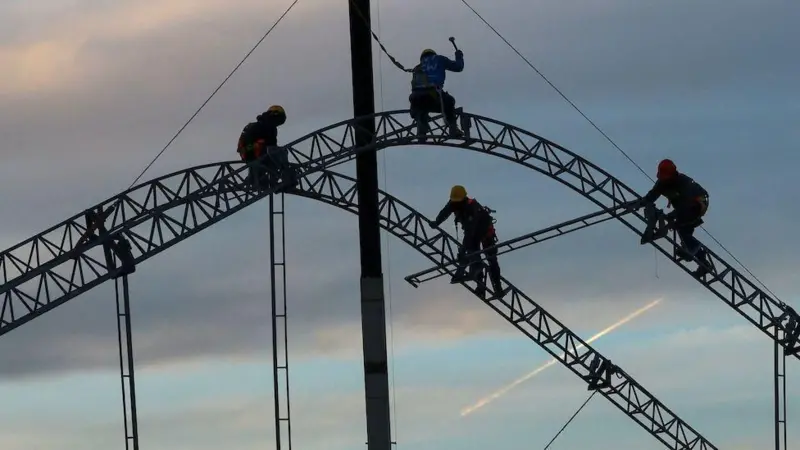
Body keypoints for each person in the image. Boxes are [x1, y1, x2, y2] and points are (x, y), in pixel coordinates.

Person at [428, 185, 507, 298]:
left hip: (485, 233)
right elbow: (445, 212)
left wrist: (463, 250)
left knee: (491, 259)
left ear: (463, 198)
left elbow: (470, 232)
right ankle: (480, 287)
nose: (455, 203)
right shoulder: (453, 203)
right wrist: (436, 222)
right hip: (473, 233)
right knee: (474, 258)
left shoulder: (471, 207)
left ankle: (498, 288)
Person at [637, 159, 710, 275]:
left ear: (672, 175)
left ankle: (692, 248)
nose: (665, 181)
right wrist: (641, 203)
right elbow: (652, 196)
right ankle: (703, 262)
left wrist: (672, 217)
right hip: (684, 207)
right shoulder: (661, 183)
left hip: (697, 202)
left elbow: (686, 206)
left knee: (681, 225)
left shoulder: (683, 183)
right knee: (684, 232)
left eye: (667, 178)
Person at [409, 47, 464, 136]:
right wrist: (459, 56)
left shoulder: (417, 68)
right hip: (432, 94)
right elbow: (458, 67)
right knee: (449, 101)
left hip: (415, 98)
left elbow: (414, 85)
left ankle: (421, 128)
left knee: (420, 107)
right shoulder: (439, 59)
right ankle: (453, 128)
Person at [237, 105, 294, 189]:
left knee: (276, 154)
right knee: (278, 152)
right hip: (252, 153)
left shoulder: (268, 127)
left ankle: (261, 179)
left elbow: (272, 145)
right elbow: (246, 146)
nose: (276, 123)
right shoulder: (260, 126)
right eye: (277, 120)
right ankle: (281, 176)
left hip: (255, 154)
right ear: (273, 115)